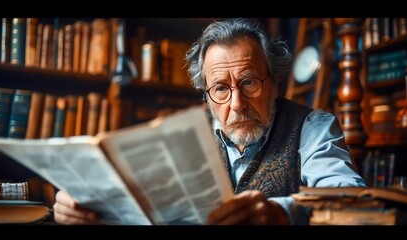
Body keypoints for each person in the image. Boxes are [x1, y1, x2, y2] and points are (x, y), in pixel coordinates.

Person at [53, 18, 366, 225]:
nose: (237, 102)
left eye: (249, 82)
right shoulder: (178, 134)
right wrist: (80, 205)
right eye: (220, 89)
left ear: (274, 84)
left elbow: (351, 203)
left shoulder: (314, 127)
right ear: (206, 94)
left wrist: (281, 213)